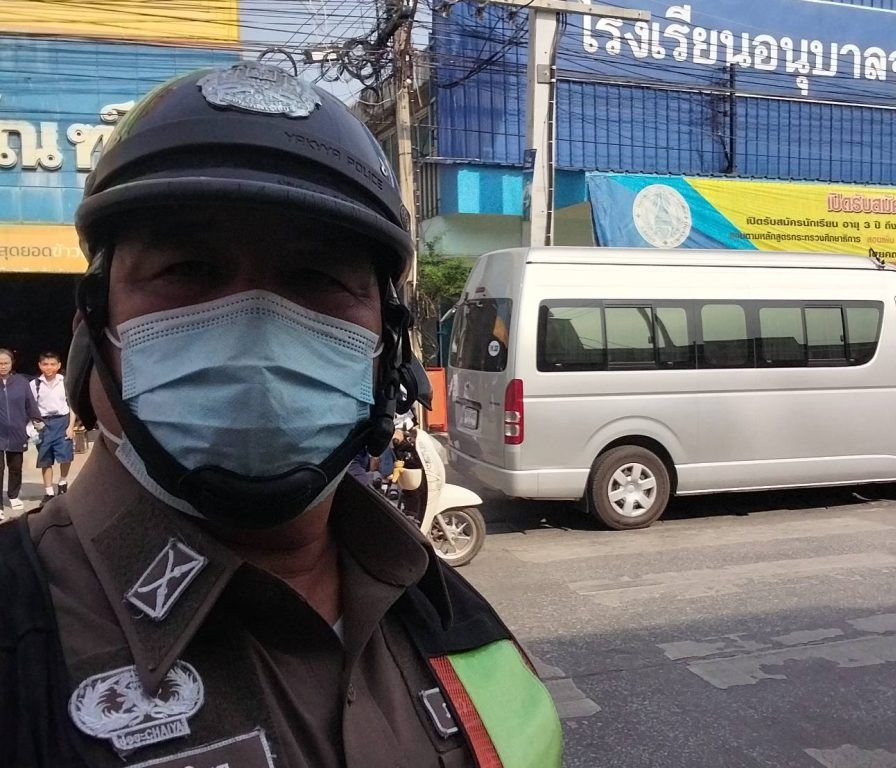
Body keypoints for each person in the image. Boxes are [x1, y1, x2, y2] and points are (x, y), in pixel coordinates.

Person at [0, 63, 561, 768]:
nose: (256, 332)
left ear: (388, 350)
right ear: (93, 328)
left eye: (316, 278)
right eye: (187, 269)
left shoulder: (455, 618)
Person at [32, 351, 79, 504]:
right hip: (44, 423)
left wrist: (71, 426)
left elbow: (72, 405)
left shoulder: (65, 382)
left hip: (62, 421)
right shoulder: (35, 384)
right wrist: (34, 424)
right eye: (45, 364)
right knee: (45, 458)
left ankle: (62, 482)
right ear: (40, 365)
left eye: (52, 364)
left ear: (59, 365)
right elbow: (30, 406)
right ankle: (49, 492)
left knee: (65, 455)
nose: (49, 367)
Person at [0, 348, 42, 516]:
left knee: (16, 467)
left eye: (6, 363)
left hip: (17, 432)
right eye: (0, 363)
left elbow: (30, 403)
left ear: (12, 364)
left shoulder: (21, 382)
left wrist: (37, 420)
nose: (3, 366)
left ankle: (13, 495)